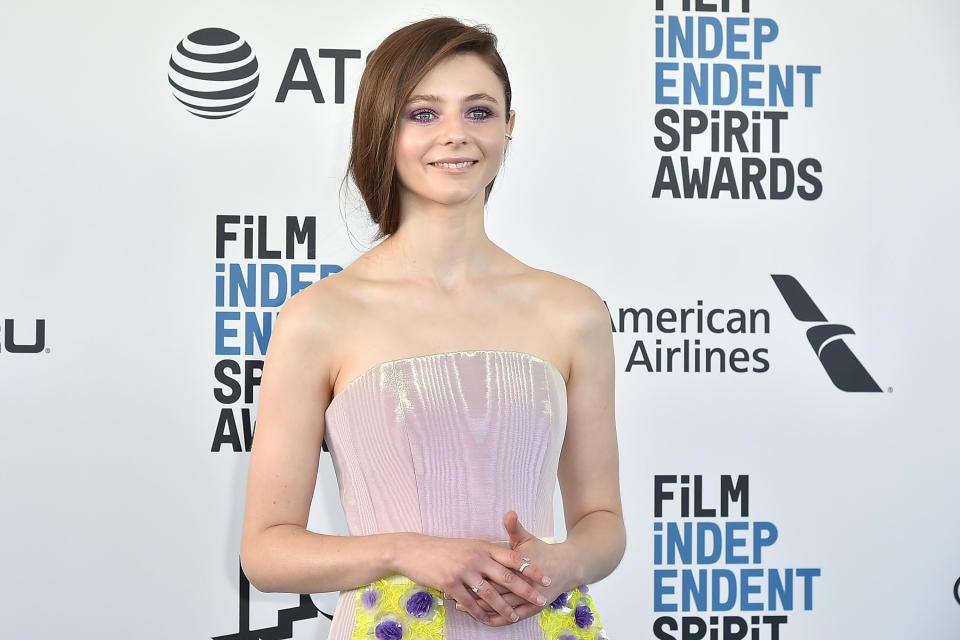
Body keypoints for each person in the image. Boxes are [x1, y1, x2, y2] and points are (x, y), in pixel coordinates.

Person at [239, 16, 625, 639]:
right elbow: (265, 551)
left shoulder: (572, 310)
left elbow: (603, 522)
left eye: (479, 111)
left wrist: (560, 562)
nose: (456, 135)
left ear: (508, 128)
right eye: (424, 114)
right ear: (384, 131)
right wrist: (405, 550)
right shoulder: (321, 316)